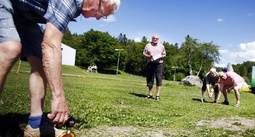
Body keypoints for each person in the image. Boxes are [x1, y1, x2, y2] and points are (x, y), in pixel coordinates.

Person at [0, 0, 120, 136]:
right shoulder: (68, 2)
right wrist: (58, 97)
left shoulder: (76, 8)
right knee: (10, 49)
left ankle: (35, 126)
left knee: (40, 61)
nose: (98, 17)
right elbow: (50, 45)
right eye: (101, 11)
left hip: (24, 15)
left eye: (103, 16)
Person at [143, 34, 166, 101]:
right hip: (150, 63)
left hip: (159, 64)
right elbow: (144, 53)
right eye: (154, 38)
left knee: (159, 79)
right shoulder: (148, 45)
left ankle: (157, 95)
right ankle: (150, 94)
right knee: (150, 78)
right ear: (152, 38)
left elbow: (164, 54)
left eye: (156, 38)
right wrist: (148, 56)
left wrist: (161, 56)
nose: (155, 39)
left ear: (158, 39)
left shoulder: (161, 46)